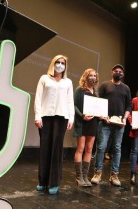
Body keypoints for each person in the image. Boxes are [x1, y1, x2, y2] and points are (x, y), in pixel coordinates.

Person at [34, 55, 74, 195]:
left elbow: (70, 101)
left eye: (63, 63)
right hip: (45, 117)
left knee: (57, 150)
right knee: (45, 148)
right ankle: (42, 181)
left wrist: (71, 118)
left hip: (62, 117)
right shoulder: (44, 78)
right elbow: (38, 98)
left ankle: (54, 182)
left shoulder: (68, 82)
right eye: (58, 62)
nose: (60, 65)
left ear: (65, 66)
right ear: (53, 63)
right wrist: (37, 116)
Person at [91, 64, 132, 186]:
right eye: (116, 71)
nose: (118, 73)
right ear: (112, 72)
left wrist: (125, 118)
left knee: (117, 149)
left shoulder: (126, 88)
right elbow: (97, 102)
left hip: (119, 124)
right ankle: (97, 174)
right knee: (101, 147)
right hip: (105, 123)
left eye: (120, 71)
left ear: (123, 74)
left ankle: (114, 175)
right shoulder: (104, 85)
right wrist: (102, 116)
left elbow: (129, 105)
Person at [73, 68, 99, 187]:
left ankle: (85, 176)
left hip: (93, 123)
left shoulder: (96, 92)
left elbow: (98, 108)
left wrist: (102, 115)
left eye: (94, 75)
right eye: (90, 75)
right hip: (82, 122)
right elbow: (74, 106)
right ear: (86, 76)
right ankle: (78, 177)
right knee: (80, 149)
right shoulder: (80, 90)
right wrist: (82, 116)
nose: (93, 77)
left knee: (89, 150)